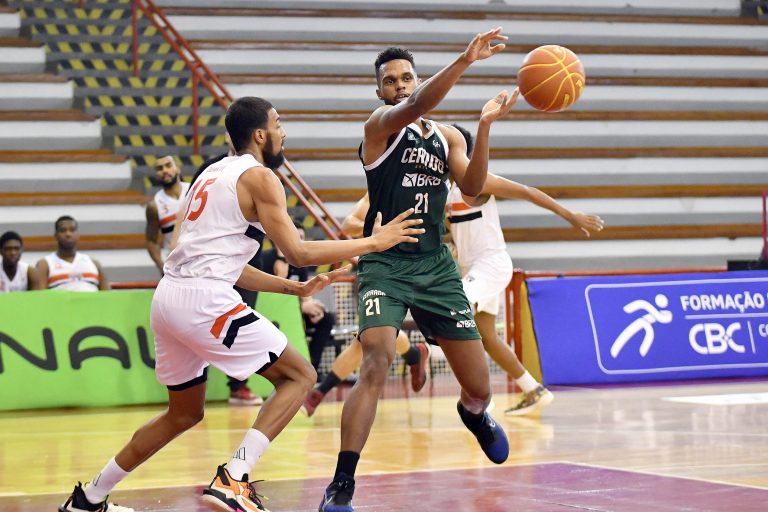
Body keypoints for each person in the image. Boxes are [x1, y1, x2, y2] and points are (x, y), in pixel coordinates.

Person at [59, 96, 423, 512]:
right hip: (204, 300)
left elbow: (223, 262)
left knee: (182, 414)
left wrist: (293, 289)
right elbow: (298, 251)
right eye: (278, 124)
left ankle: (88, 498)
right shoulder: (261, 178)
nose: (284, 133)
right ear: (261, 134)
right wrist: (375, 242)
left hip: (169, 297)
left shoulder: (209, 174)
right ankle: (234, 478)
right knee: (300, 375)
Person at [318, 30, 517, 512]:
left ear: (416, 78)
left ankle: (474, 414)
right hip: (385, 264)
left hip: (435, 267)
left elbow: (473, 185)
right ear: (379, 91)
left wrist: (485, 126)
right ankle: (342, 483)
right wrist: (465, 59)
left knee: (480, 387)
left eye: (407, 78)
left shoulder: (447, 136)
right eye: (390, 81)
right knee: (377, 358)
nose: (400, 86)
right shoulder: (379, 127)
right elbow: (417, 105)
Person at [446, 124, 604, 415]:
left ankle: (479, 397)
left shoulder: (478, 181)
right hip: (474, 268)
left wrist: (570, 215)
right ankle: (533, 389)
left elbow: (527, 192)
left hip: (490, 264)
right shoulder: (448, 191)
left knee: (452, 310)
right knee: (487, 336)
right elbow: (457, 232)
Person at [302, 198, 431, 417]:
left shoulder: (422, 192)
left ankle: (320, 392)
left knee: (368, 338)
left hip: (407, 271)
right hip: (375, 273)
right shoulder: (377, 191)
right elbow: (348, 225)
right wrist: (378, 232)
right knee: (366, 339)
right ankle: (414, 355)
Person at [190, 142, 266, 406]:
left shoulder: (262, 171)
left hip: (246, 263)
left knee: (238, 326)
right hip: (212, 266)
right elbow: (187, 214)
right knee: (202, 326)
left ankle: (238, 386)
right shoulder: (211, 168)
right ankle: (193, 387)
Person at [260, 221, 339, 374]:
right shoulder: (265, 259)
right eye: (297, 237)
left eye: (302, 237)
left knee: (326, 319)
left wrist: (311, 306)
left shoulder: (300, 263)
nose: (300, 241)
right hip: (270, 314)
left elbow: (306, 293)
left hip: (296, 312)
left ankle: (311, 367)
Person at [37, 216, 109, 291]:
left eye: (72, 230)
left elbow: (107, 295)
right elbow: (40, 296)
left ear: (78, 234)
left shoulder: (94, 263)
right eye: (63, 230)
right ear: (56, 235)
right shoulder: (45, 264)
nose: (68, 234)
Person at [145, 155, 189, 275]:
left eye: (168, 166)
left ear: (178, 168)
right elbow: (151, 241)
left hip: (200, 258)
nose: (164, 170)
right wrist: (161, 265)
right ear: (156, 175)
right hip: (174, 264)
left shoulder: (195, 189)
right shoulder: (154, 206)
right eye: (159, 168)